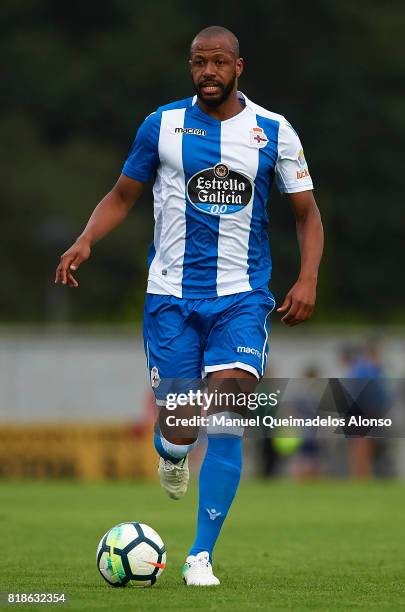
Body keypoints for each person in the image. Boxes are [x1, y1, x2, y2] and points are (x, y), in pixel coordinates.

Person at [55, 25, 324, 586]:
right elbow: (123, 195)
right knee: (180, 427)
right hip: (171, 297)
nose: (208, 71)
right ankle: (173, 450)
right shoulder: (162, 125)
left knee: (226, 407)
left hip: (242, 295)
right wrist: (86, 239)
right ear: (190, 66)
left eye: (219, 62)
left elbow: (306, 213)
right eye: (199, 62)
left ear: (238, 67)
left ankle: (199, 556)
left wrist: (308, 278)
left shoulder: (273, 131)